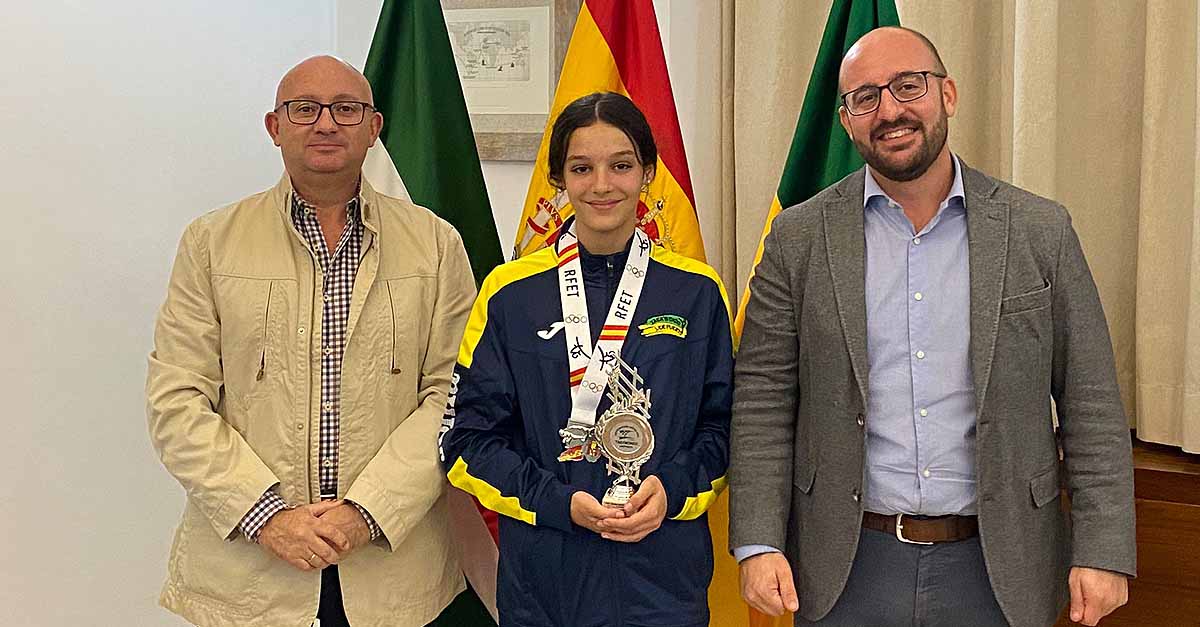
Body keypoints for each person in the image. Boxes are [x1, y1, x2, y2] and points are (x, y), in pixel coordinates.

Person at [730, 27, 1135, 627]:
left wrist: (1103, 548)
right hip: (847, 566)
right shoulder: (797, 239)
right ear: (846, 120)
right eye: (865, 97)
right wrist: (759, 541)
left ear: (948, 93)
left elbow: (1091, 399)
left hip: (1001, 567)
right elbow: (762, 399)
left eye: (908, 86)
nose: (889, 110)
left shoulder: (1039, 231)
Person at [146, 56, 487, 626]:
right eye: (303, 109)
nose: (325, 123)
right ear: (274, 128)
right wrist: (267, 516)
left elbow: (454, 399)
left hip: (390, 567)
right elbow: (176, 400)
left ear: (375, 128)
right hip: (249, 571)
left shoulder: (434, 243)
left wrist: (366, 511)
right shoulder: (211, 243)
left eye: (346, 109)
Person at [438, 91, 733, 627]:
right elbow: (466, 443)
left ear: (647, 173)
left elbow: (723, 429)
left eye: (621, 165)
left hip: (664, 583)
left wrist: (672, 490)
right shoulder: (508, 294)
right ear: (559, 179)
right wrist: (557, 502)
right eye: (582, 167)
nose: (602, 185)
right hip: (545, 586)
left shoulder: (697, 292)